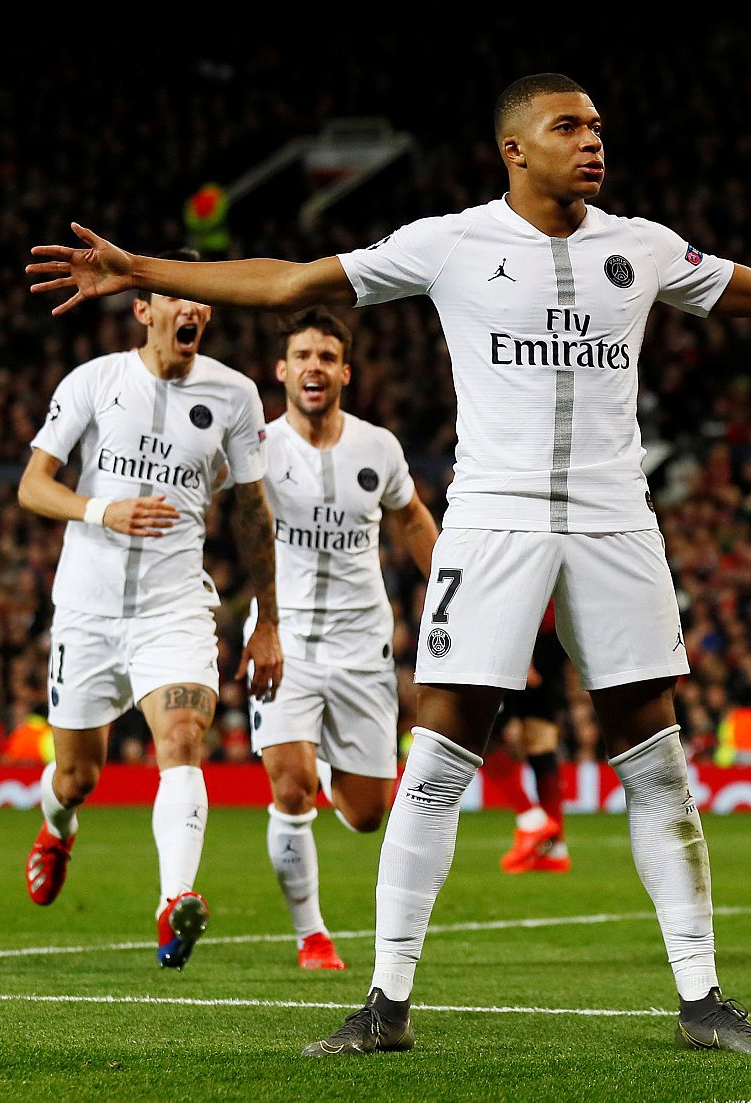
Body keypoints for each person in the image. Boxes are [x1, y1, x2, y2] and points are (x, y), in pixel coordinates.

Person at [26, 72, 751, 1053]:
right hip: (493, 522)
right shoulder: (450, 241)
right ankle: (385, 1002)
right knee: (441, 753)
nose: (592, 140)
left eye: (596, 125)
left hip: (616, 521)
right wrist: (142, 268)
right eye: (567, 125)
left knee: (656, 755)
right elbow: (289, 279)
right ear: (515, 148)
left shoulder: (643, 245)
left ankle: (703, 998)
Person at [19, 248, 282, 969]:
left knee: (184, 736)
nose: (193, 309)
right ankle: (57, 825)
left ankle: (175, 903)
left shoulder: (234, 394)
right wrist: (103, 509)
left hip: (174, 607)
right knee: (78, 774)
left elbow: (253, 514)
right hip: (86, 606)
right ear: (144, 308)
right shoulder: (95, 381)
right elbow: (33, 486)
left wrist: (269, 620)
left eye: (200, 300)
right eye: (175, 297)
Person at [252, 308, 439, 969]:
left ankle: (328, 759)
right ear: (282, 370)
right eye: (302, 355)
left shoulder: (378, 447)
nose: (313, 366)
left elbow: (412, 520)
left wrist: (454, 595)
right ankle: (313, 936)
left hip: (363, 644)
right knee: (291, 784)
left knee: (365, 814)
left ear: (344, 372)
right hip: (286, 638)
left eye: (326, 357)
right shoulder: (257, 447)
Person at [483, 606, 571, 874]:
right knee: (540, 747)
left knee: (483, 737)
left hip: (519, 644)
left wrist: (525, 656)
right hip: (547, 640)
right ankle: (555, 849)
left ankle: (534, 822)